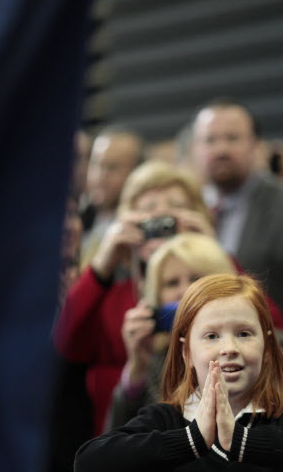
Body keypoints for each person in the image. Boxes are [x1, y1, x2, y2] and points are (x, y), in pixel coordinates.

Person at [74, 274, 283, 472]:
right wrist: (192, 440)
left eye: (244, 334)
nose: (229, 348)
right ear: (187, 353)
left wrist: (242, 441)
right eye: (211, 336)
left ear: (267, 347)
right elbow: (90, 463)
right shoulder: (166, 419)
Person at [55, 161, 216, 434]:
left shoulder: (216, 283)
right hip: (119, 433)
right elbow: (66, 343)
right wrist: (103, 262)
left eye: (176, 206)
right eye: (149, 208)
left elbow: (264, 324)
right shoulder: (110, 294)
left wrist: (213, 251)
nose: (161, 215)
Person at [191, 98, 283, 316]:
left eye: (232, 138)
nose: (221, 149)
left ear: (256, 146)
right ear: (195, 149)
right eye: (210, 140)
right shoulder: (189, 210)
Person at [105, 233, 237, 430]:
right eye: (172, 283)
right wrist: (137, 368)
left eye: (197, 279)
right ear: (157, 298)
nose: (185, 291)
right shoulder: (154, 357)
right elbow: (116, 440)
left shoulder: (260, 342)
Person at [79, 125, 144, 265]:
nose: (99, 177)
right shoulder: (78, 219)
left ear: (136, 174)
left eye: (112, 168)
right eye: (96, 164)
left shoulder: (140, 230)